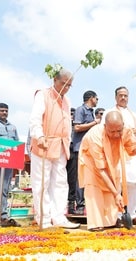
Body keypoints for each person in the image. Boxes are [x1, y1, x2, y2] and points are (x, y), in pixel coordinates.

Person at [78, 111, 136, 231]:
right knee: (95, 190)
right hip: (92, 164)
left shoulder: (126, 130)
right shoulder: (94, 136)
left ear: (122, 124)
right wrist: (117, 194)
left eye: (119, 131)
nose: (116, 134)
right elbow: (101, 170)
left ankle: (110, 220)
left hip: (113, 161)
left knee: (113, 186)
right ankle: (96, 223)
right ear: (105, 126)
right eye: (112, 131)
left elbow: (132, 146)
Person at [29, 68, 80, 229]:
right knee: (41, 183)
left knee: (60, 182)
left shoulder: (67, 100)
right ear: (55, 80)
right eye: (63, 83)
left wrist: (68, 142)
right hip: (43, 144)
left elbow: (67, 123)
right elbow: (35, 119)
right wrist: (39, 136)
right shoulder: (42, 94)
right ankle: (43, 219)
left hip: (61, 146)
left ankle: (59, 218)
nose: (66, 88)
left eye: (69, 85)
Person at [102, 86, 136, 225]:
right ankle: (118, 215)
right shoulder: (109, 112)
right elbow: (104, 129)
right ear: (115, 97)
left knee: (132, 184)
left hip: (132, 153)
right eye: (120, 95)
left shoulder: (134, 115)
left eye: (125, 95)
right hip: (116, 152)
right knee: (118, 183)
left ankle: (132, 214)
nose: (123, 98)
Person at [72, 90, 99, 215]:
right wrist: (94, 123)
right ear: (91, 98)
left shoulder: (91, 112)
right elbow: (76, 127)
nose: (97, 101)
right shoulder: (80, 110)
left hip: (90, 149)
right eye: (96, 98)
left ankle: (88, 203)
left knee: (89, 177)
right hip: (80, 148)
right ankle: (80, 205)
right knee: (80, 177)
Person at [0, 103, 21, 227]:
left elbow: (17, 144)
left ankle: (3, 216)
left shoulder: (13, 127)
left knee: (4, 188)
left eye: (6, 111)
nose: (4, 113)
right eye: (2, 111)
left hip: (9, 162)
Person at [66, 108, 76, 214]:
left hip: (73, 151)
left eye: (73, 114)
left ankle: (71, 203)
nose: (71, 116)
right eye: (70, 114)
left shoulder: (76, 126)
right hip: (61, 150)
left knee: (72, 179)